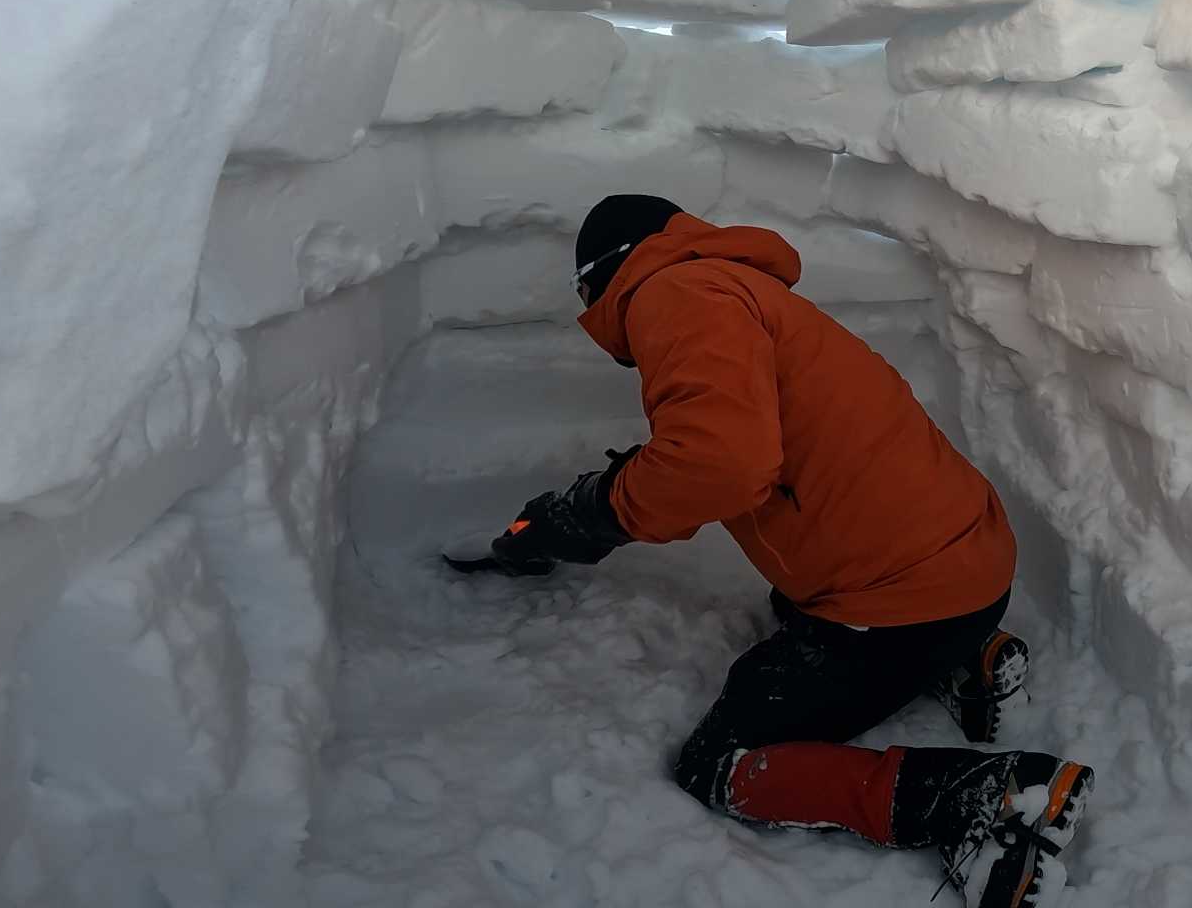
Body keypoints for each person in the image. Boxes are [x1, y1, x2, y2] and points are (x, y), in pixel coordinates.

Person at [466, 194, 1094, 906]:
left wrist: (592, 513)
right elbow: (717, 443)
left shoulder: (670, 293)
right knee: (793, 605)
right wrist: (606, 495)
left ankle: (984, 795)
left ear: (600, 277)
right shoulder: (731, 287)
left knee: (720, 763)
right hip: (970, 565)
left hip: (906, 604)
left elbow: (720, 462)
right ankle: (961, 660)